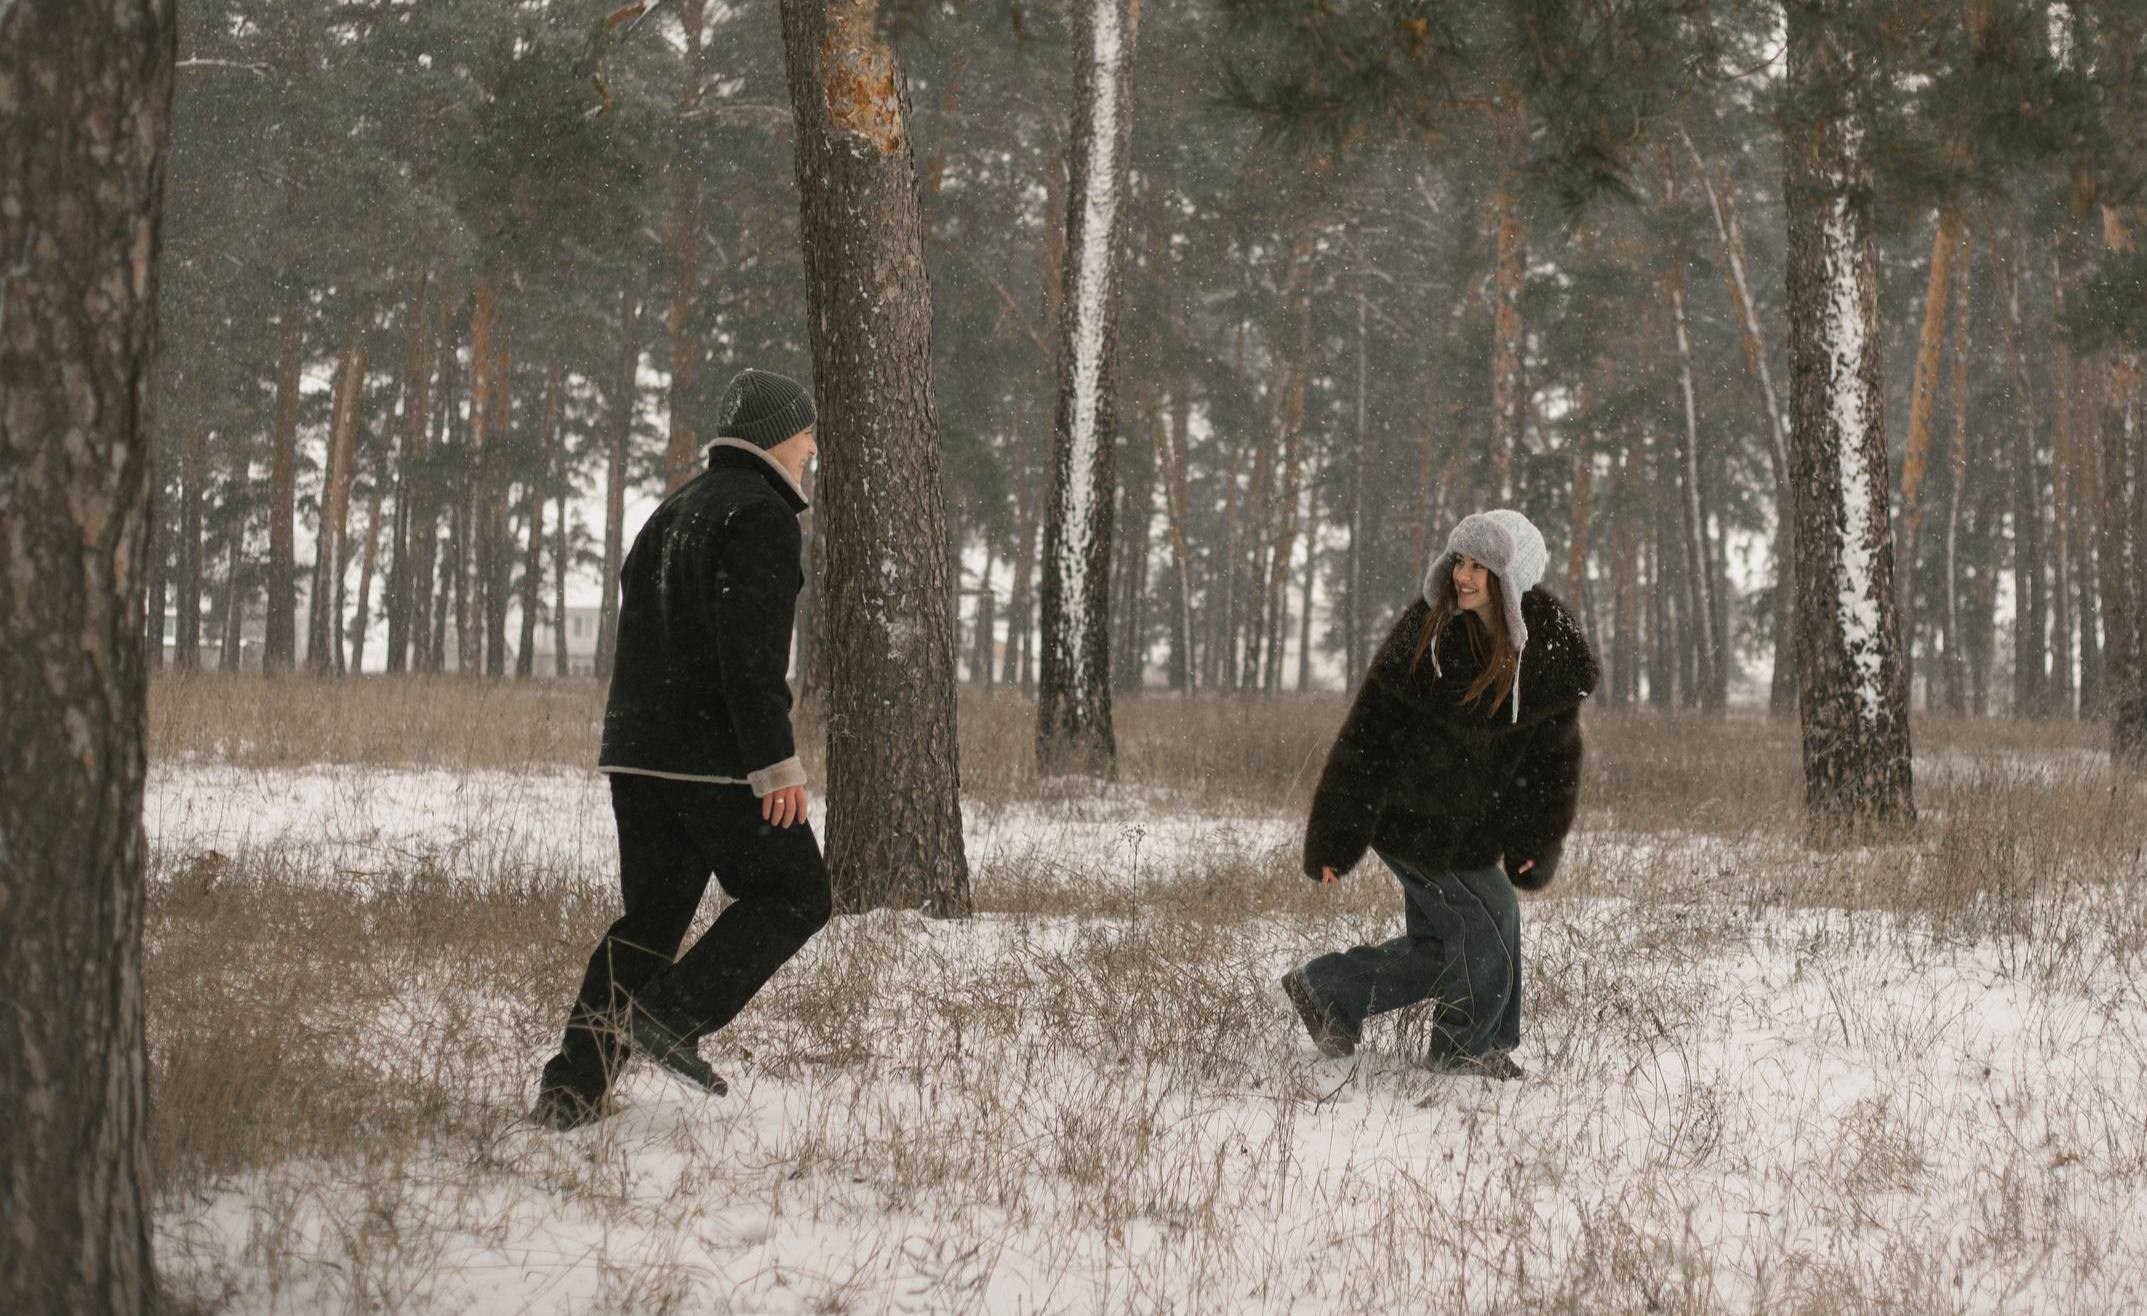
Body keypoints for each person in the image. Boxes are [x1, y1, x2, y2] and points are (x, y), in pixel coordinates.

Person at [531, 368, 832, 1131]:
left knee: (651, 922)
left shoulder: (671, 512)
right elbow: (749, 658)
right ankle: (670, 1015)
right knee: (796, 894)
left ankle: (572, 1092)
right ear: (774, 435)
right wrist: (775, 765)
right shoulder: (760, 516)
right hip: (716, 760)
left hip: (636, 756)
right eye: (805, 432)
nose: (812, 446)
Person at [1283, 508, 1599, 1079]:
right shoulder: (1423, 632)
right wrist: (1337, 836)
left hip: (1472, 824)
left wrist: (1535, 841)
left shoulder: (1545, 654)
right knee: (1491, 916)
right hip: (1409, 819)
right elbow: (1365, 739)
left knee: (1441, 947)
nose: (1465, 576)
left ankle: (1331, 991)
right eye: (1460, 560)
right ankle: (1467, 1049)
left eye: (1482, 565)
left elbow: (1553, 765)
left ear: (1513, 577)